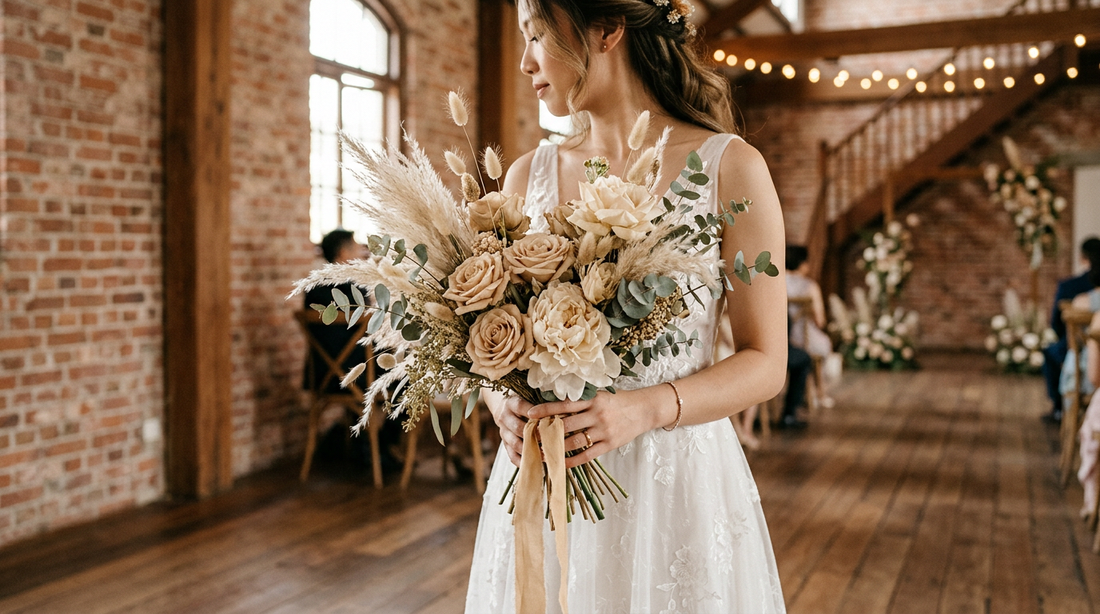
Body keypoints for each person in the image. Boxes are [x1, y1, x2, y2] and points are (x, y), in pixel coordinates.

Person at [465, 1, 788, 612]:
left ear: (607, 29)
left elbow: (767, 361)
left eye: (537, 35)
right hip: (546, 481)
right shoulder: (522, 178)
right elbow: (490, 339)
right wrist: (500, 398)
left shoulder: (732, 169)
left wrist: (645, 409)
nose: (526, 60)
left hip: (676, 487)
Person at [1042, 236, 1100, 423]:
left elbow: (1056, 324)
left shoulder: (1071, 289)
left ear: (1083, 257)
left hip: (1086, 360)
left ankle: (1059, 408)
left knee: (1053, 353)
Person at [786, 244, 835, 409]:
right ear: (803, 263)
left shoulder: (777, 283)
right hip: (804, 337)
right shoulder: (810, 286)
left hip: (782, 336)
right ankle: (819, 392)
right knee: (824, 344)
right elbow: (820, 321)